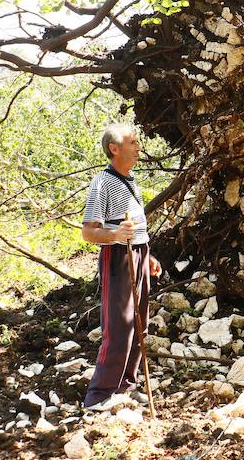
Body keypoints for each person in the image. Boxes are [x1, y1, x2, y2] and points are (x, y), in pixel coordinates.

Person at [81, 123, 161, 409]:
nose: (139, 147)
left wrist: (146, 255)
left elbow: (135, 228)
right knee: (119, 326)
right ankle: (99, 395)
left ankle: (126, 385)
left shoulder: (130, 179)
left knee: (139, 323)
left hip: (138, 253)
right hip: (117, 256)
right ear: (114, 149)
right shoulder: (102, 182)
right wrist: (115, 235)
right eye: (133, 142)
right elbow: (89, 232)